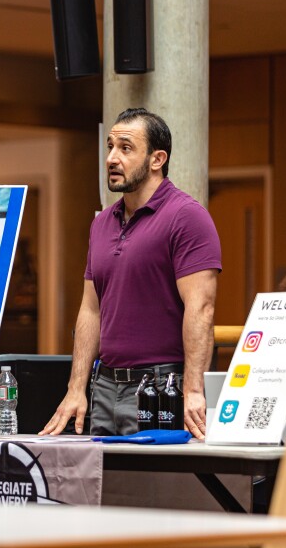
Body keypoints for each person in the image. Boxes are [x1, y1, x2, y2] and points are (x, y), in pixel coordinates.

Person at [40, 108, 221, 439]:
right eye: (109, 146)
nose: (111, 158)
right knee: (103, 487)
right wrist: (76, 388)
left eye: (125, 148)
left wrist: (193, 390)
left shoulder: (187, 217)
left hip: (160, 386)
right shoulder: (101, 223)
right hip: (104, 385)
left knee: (152, 488)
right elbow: (90, 310)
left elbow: (201, 309)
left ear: (157, 159)